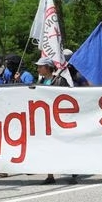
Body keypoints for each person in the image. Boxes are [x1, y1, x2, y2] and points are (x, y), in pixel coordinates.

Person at [34, 56, 76, 185]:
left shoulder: (60, 81)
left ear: (47, 68)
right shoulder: (39, 83)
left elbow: (68, 98)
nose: (38, 69)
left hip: (59, 119)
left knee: (65, 146)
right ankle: (50, 175)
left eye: (40, 67)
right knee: (48, 146)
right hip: (46, 120)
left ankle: (74, 171)